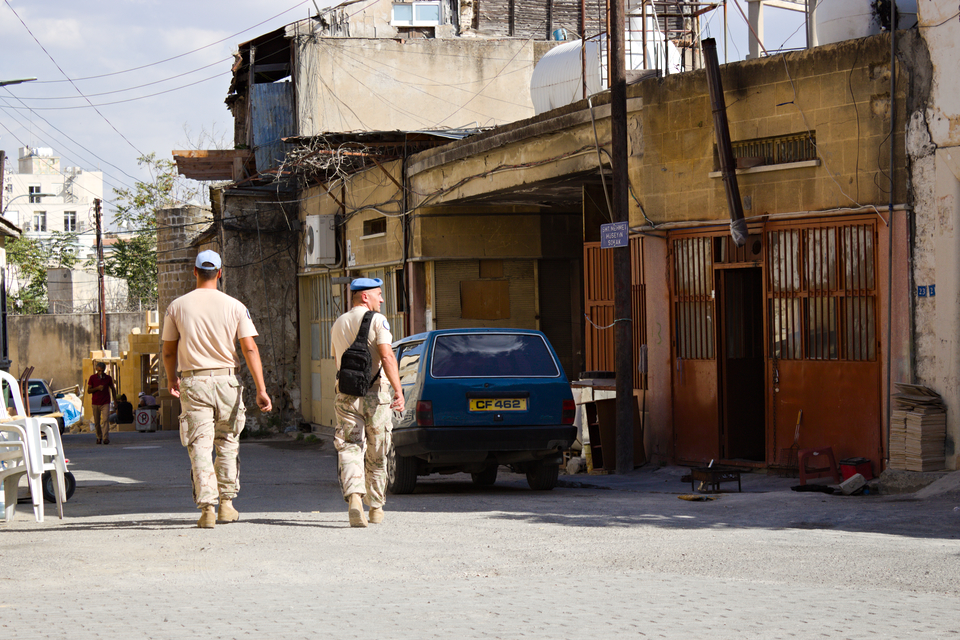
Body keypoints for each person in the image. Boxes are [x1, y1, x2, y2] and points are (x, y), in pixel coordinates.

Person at [161, 249, 272, 529]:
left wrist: (171, 379)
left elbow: (168, 351)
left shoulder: (177, 307)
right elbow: (249, 347)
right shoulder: (235, 306)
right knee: (227, 442)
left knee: (200, 445)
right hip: (227, 382)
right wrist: (261, 388)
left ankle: (207, 508)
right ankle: (227, 504)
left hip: (194, 381)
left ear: (195, 272)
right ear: (220, 274)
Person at [331, 277, 404, 528]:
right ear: (365, 297)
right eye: (379, 294)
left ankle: (354, 498)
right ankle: (375, 508)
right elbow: (387, 355)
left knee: (350, 447)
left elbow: (337, 361)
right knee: (377, 450)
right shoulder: (377, 320)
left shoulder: (338, 323)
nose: (382, 300)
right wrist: (398, 390)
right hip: (375, 394)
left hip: (346, 394)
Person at [87, 362, 116, 444]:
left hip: (105, 402)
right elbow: (89, 391)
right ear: (96, 369)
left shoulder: (108, 378)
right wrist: (97, 388)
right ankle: (99, 437)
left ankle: (105, 437)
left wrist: (115, 401)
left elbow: (113, 389)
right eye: (99, 371)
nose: (101, 372)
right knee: (97, 421)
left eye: (102, 371)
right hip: (95, 403)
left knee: (106, 419)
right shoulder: (92, 378)